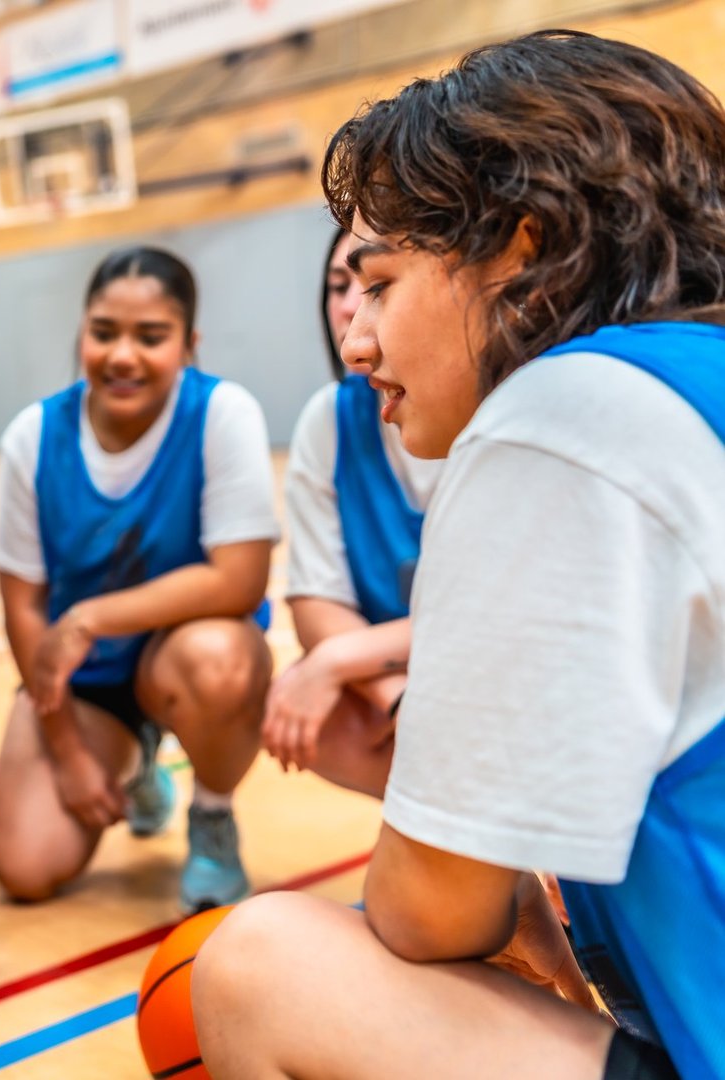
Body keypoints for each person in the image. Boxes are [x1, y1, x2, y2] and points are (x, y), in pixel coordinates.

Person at [195, 30, 725, 1080]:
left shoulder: (559, 416)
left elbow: (431, 915)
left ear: (521, 250)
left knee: (257, 965)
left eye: (381, 283)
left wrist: (495, 878)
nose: (355, 341)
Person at [0, 246, 279, 911]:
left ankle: (210, 817)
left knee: (223, 659)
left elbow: (239, 582)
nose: (123, 355)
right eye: (104, 332)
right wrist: (70, 751)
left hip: (184, 662)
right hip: (84, 683)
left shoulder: (222, 414)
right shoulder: (32, 437)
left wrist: (89, 618)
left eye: (151, 337)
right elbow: (23, 610)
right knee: (24, 868)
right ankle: (136, 763)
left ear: (188, 344)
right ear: (82, 333)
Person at [260, 227, 444, 796]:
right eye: (339, 285)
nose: (347, 305)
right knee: (307, 700)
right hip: (407, 683)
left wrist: (341, 660)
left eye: (376, 285)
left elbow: (505, 618)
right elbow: (318, 607)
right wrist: (398, 701)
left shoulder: (496, 416)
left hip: (496, 680)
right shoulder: (329, 420)